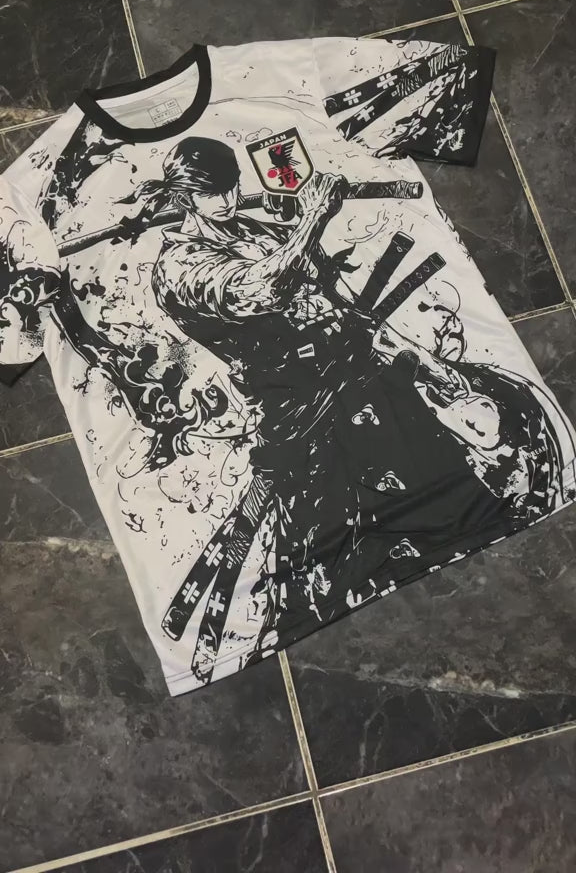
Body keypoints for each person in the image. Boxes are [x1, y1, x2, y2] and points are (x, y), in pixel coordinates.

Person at [148, 136, 562, 683]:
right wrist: (312, 217)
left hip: (366, 383)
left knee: (459, 497)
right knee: (328, 562)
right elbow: (264, 289)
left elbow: (332, 300)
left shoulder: (253, 229)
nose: (226, 200)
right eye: (211, 193)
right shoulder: (180, 265)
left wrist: (418, 363)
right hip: (301, 419)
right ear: (184, 198)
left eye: (230, 187)